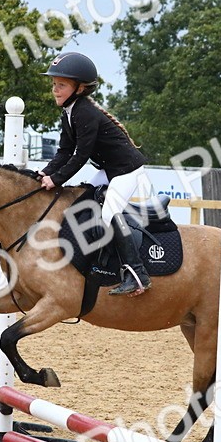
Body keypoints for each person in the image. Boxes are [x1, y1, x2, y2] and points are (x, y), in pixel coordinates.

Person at [37, 51, 153, 296]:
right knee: (82, 200)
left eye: (61, 85)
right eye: (54, 84)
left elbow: (80, 155)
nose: (55, 90)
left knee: (109, 214)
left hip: (126, 171)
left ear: (79, 88)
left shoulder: (85, 112)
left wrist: (56, 179)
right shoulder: (69, 112)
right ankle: (95, 259)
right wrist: (43, 173)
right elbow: (64, 151)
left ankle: (137, 274)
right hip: (109, 170)